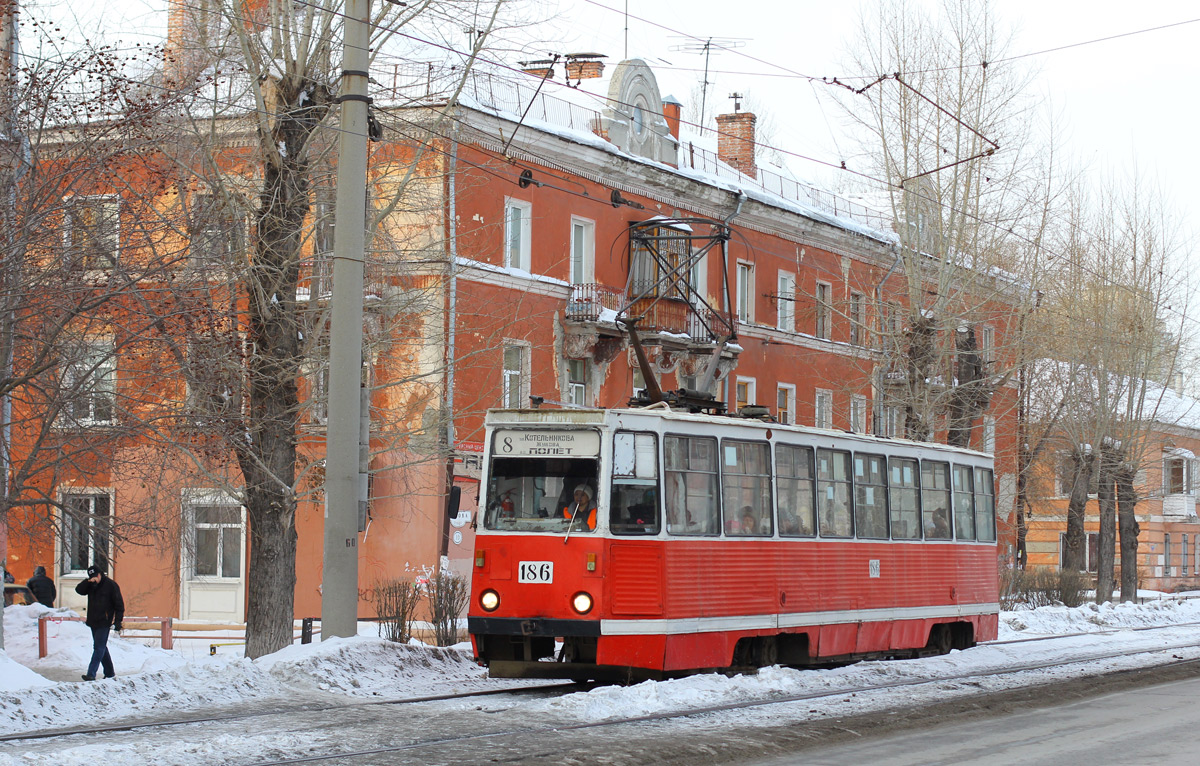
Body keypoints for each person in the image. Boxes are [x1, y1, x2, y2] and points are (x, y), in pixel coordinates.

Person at [74, 564, 124, 681]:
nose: (94, 579)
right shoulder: (91, 585)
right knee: (101, 648)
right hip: (93, 621)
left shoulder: (111, 585)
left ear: (100, 574)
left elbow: (119, 605)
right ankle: (110, 673)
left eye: (95, 576)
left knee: (98, 647)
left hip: (104, 622)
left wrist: (118, 622)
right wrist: (88, 581)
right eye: (92, 577)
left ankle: (91, 673)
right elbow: (79, 590)